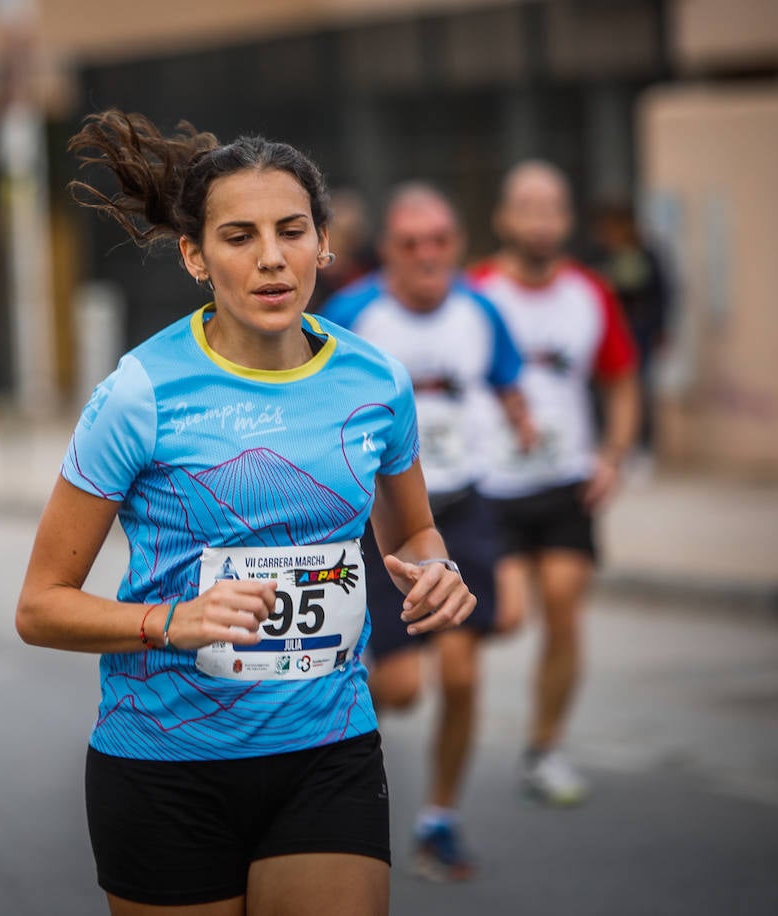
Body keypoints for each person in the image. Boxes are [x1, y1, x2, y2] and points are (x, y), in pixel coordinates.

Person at [17, 110, 476, 915]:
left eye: (292, 231)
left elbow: (409, 530)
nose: (271, 258)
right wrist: (174, 622)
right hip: (165, 763)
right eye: (238, 237)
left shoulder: (376, 382)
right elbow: (40, 606)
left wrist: (433, 567)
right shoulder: (140, 393)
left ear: (324, 243)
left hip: (328, 748)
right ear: (195, 255)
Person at [323, 183, 535, 881]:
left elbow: (506, 382)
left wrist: (523, 423)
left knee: (465, 671)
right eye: (411, 243)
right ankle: (329, 727)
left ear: (458, 245)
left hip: (463, 507)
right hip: (381, 520)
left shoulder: (481, 311)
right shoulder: (353, 315)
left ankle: (439, 819)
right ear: (388, 251)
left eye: (439, 240)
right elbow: (314, 398)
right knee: (406, 687)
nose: (427, 254)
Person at [468, 160, 639, 807]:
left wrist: (614, 456)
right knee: (508, 615)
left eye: (554, 208)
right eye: (528, 207)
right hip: (493, 484)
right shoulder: (476, 293)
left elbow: (621, 380)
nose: (541, 221)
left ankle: (544, 748)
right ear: (504, 218)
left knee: (565, 604)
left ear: (567, 220)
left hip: (567, 480)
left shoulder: (590, 293)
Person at [586, 198, 672, 449]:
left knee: (636, 388)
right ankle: (606, 438)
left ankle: (640, 444)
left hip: (638, 333)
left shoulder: (646, 254)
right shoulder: (600, 255)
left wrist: (660, 328)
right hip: (605, 332)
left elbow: (662, 293)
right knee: (602, 390)